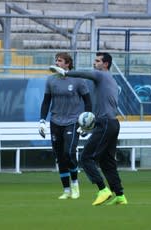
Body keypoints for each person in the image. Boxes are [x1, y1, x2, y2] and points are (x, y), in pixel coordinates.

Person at [49, 52, 128, 206]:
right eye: (94, 60)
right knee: (107, 162)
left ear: (105, 64)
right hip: (112, 124)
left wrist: (66, 72)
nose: (94, 63)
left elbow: (85, 74)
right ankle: (119, 195)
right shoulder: (110, 79)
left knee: (86, 157)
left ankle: (102, 189)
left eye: (98, 61)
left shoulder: (102, 75)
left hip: (105, 123)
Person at [39, 52, 92, 199]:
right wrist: (42, 120)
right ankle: (66, 190)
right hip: (55, 121)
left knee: (69, 153)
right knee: (60, 157)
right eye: (56, 60)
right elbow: (46, 102)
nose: (56, 63)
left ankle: (75, 184)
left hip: (73, 121)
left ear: (68, 63)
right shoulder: (51, 80)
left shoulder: (78, 80)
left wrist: (86, 122)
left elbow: (88, 102)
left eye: (60, 61)